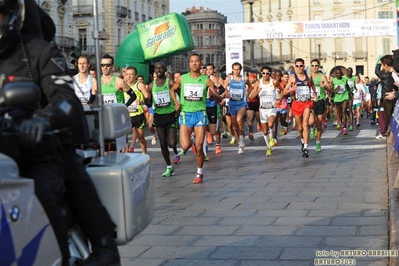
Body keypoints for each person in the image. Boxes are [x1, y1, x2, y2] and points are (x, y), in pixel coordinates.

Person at [0, 1, 118, 265]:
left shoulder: (38, 52)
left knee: (40, 194)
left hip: (34, 152)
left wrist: (42, 119)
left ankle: (71, 253)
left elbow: (66, 100)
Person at [170, 53, 222, 184]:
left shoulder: (206, 80)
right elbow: (172, 90)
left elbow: (219, 98)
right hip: (185, 114)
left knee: (199, 148)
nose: (194, 63)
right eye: (192, 61)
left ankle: (199, 172)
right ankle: (192, 141)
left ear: (201, 63)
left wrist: (213, 96)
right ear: (189, 64)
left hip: (200, 114)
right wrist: (176, 102)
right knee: (185, 146)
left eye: (197, 61)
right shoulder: (183, 78)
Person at [148, 63, 180, 177]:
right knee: (162, 143)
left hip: (171, 115)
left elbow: (180, 94)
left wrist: (178, 109)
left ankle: (175, 148)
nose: (159, 70)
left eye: (161, 68)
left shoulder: (170, 82)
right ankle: (169, 167)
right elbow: (149, 102)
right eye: (156, 68)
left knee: (171, 143)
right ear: (155, 71)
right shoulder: (151, 86)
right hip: (159, 116)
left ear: (165, 70)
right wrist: (144, 99)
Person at [283, 58, 317, 158]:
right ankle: (302, 141)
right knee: (300, 127)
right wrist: (291, 89)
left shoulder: (308, 76)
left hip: (306, 103)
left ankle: (306, 148)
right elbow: (284, 92)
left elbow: (313, 85)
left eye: (301, 66)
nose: (299, 68)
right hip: (297, 104)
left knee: (305, 124)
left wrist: (314, 93)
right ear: (295, 67)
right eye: (297, 66)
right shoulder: (292, 78)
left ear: (303, 66)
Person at [249, 66, 282, 156]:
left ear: (270, 74)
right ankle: (268, 147)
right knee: (264, 131)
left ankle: (272, 137)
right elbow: (251, 97)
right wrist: (257, 92)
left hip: (272, 107)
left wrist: (279, 98)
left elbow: (281, 90)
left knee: (271, 124)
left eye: (267, 73)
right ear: (261, 74)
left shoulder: (274, 82)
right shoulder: (258, 83)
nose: (265, 75)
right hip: (262, 109)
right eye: (263, 73)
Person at [223, 62, 252, 154]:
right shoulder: (229, 79)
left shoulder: (244, 79)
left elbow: (250, 87)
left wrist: (247, 95)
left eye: (238, 69)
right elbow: (223, 88)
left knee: (239, 119)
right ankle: (240, 142)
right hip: (232, 103)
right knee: (234, 126)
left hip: (242, 103)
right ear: (232, 70)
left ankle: (242, 134)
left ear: (240, 70)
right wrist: (226, 93)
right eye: (234, 69)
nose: (236, 71)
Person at [124, 66, 150, 154]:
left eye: (131, 74)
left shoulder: (140, 85)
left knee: (141, 138)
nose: (129, 77)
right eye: (127, 74)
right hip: (126, 116)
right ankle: (126, 157)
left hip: (138, 115)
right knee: (124, 138)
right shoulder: (123, 85)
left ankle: (144, 153)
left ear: (136, 75)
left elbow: (147, 99)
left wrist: (141, 102)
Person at [310, 59, 331, 152]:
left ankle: (318, 142)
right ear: (310, 66)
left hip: (320, 101)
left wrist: (325, 86)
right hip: (310, 101)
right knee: (310, 121)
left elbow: (330, 89)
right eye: (313, 65)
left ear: (319, 67)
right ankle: (311, 127)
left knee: (319, 124)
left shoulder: (322, 76)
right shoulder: (308, 76)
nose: (314, 67)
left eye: (316, 65)